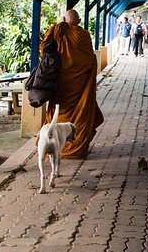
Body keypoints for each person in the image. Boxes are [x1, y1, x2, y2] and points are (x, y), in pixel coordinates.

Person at [39, 9, 104, 159]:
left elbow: (44, 49)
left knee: (58, 111)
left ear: (63, 19)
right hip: (79, 85)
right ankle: (75, 148)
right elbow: (90, 60)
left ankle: (54, 146)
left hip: (61, 84)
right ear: (79, 21)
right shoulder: (84, 35)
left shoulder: (57, 30)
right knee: (80, 114)